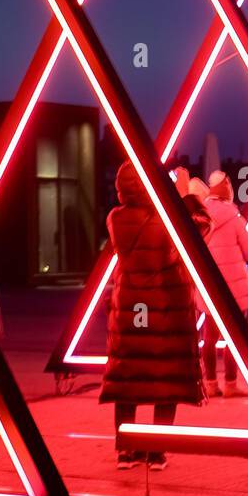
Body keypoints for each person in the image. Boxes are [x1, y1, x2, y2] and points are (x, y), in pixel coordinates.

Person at [102, 162, 205, 471]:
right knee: (165, 377)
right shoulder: (166, 219)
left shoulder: (114, 218)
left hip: (132, 307)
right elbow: (200, 230)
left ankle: (125, 449)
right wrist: (183, 195)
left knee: (128, 377)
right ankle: (157, 450)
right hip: (164, 308)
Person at [199, 169, 248, 397]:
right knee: (234, 338)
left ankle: (211, 383)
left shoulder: (200, 217)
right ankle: (231, 384)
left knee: (209, 337)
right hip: (235, 288)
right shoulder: (235, 218)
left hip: (210, 286)